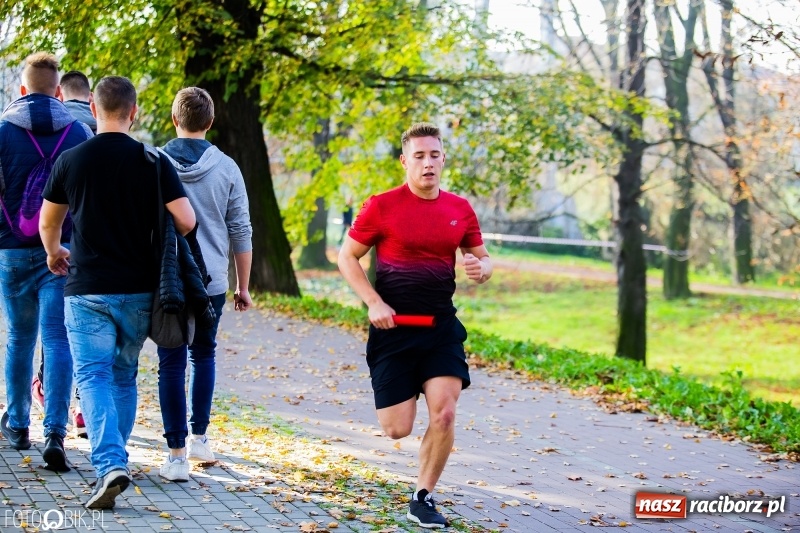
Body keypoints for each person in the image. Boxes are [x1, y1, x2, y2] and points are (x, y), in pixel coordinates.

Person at [40, 75, 196, 509]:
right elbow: (186, 221)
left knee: (92, 375)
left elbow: (49, 221)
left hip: (87, 287)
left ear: (92, 108)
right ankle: (116, 461)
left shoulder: (71, 160)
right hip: (139, 291)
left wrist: (55, 253)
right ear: (135, 112)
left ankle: (110, 465)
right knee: (124, 373)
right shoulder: (154, 161)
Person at [338, 122, 492, 529]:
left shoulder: (460, 210)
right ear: (405, 161)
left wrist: (481, 268)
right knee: (396, 428)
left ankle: (422, 496)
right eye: (419, 156)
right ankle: (402, 417)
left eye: (434, 155)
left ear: (443, 159)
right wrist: (373, 302)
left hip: (440, 326)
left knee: (444, 414)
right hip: (393, 329)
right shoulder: (382, 206)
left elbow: (484, 258)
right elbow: (346, 257)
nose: (428, 163)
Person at [155, 86, 253, 482]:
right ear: (210, 123)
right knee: (203, 355)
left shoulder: (153, 161)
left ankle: (175, 456)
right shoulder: (227, 167)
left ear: (174, 120)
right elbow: (241, 230)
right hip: (210, 278)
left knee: (170, 362)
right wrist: (242, 286)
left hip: (164, 278)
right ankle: (199, 438)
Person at [0, 52, 92, 471]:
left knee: (19, 337)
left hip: (13, 247)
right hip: (63, 248)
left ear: (22, 89)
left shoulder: (2, 131)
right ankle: (55, 431)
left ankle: (17, 425)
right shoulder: (78, 133)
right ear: (58, 91)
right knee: (58, 338)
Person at [31, 69, 96, 438]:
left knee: (54, 330)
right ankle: (85, 408)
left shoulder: (58, 125)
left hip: (56, 241)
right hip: (97, 246)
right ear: (91, 98)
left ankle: (50, 396)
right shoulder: (103, 124)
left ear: (59, 94)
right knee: (90, 333)